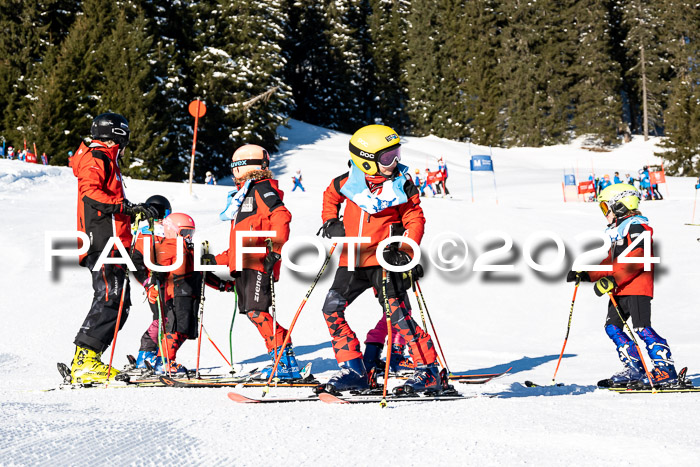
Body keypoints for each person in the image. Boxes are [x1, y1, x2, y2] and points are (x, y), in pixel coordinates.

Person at [317, 124, 439, 394]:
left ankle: (428, 370)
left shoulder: (401, 185)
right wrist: (330, 221)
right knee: (331, 309)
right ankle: (355, 370)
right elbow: (330, 196)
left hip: (384, 259)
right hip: (352, 258)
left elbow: (415, 218)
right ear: (366, 160)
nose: (394, 162)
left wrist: (406, 252)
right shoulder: (347, 182)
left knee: (397, 315)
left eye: (396, 153)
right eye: (386, 157)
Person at [70, 112, 159, 384]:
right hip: (102, 241)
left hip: (115, 241)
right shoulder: (97, 157)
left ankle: (89, 359)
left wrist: (133, 210)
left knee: (120, 302)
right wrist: (124, 207)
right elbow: (91, 192)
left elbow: (108, 199)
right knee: (110, 296)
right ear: (117, 133)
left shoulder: (107, 158)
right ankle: (85, 361)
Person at [567, 183, 678, 387]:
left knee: (642, 327)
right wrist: (587, 273)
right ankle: (635, 369)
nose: (604, 213)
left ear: (619, 205)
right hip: (619, 289)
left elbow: (638, 258)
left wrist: (614, 279)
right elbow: (611, 263)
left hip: (636, 286)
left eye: (604, 207)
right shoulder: (618, 232)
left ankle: (665, 369)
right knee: (612, 327)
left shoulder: (637, 227)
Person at [214, 144, 303, 380]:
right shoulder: (244, 195)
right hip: (246, 262)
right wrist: (214, 260)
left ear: (247, 167)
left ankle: (284, 362)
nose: (233, 172)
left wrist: (275, 249)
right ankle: (282, 359)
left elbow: (282, 216)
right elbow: (239, 243)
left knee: (257, 312)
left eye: (235, 167)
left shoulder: (261, 189)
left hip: (259, 262)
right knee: (255, 313)